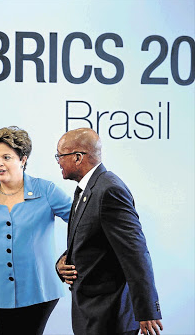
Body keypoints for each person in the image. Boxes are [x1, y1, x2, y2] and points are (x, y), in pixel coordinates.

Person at [0, 126, 72, 335]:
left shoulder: (45, 190)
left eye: (6, 157)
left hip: (39, 290)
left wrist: (69, 256)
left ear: (22, 159)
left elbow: (82, 222)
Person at [55, 128, 163, 335]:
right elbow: (90, 239)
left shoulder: (109, 190)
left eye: (60, 155)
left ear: (78, 157)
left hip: (109, 317)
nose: (58, 161)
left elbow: (135, 252)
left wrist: (147, 309)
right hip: (90, 315)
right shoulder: (84, 190)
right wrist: (62, 263)